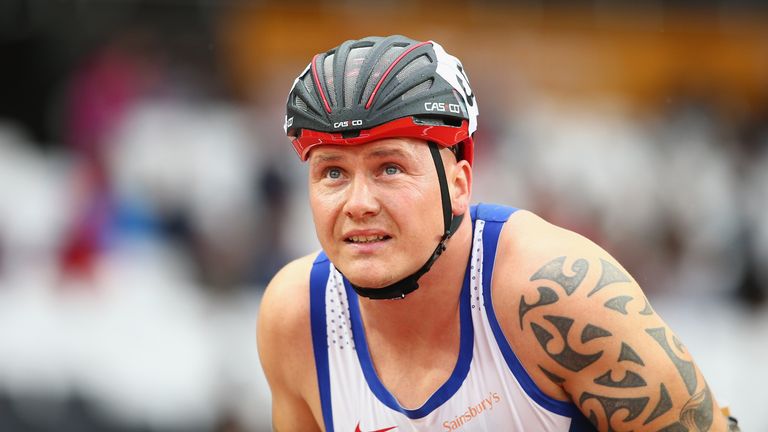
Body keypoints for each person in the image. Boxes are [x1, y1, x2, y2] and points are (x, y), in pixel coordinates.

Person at [257, 35, 735, 431]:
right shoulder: (295, 318)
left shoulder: (557, 291)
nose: (358, 205)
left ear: (460, 184)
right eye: (333, 173)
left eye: (390, 168)